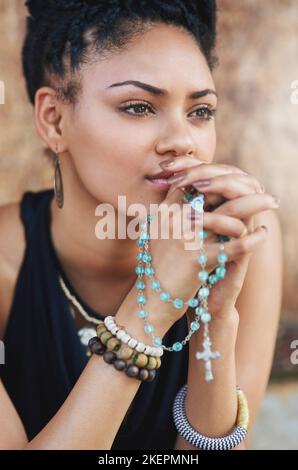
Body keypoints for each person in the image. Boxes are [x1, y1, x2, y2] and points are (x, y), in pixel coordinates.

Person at [0, 0, 283, 450]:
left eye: (200, 111)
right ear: (54, 119)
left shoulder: (242, 232)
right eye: (138, 107)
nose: (182, 141)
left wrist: (214, 319)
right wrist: (150, 310)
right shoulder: (6, 266)